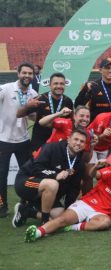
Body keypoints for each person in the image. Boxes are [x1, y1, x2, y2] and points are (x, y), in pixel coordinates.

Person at [23, 147, 111, 242]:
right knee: (61, 219)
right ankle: (36, 233)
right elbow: (93, 175)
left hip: (102, 213)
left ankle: (72, 227)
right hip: (88, 204)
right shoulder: (109, 172)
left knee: (105, 223)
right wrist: (95, 167)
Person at [12, 129, 87, 227]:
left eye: (82, 141)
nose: (78, 143)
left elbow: (74, 189)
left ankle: (26, 211)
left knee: (60, 215)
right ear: (68, 139)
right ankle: (45, 222)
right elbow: (36, 167)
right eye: (76, 139)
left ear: (85, 145)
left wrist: (68, 210)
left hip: (47, 192)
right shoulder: (52, 148)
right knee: (52, 184)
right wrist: (55, 175)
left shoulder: (79, 163)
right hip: (25, 182)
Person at [0, 62, 39, 217]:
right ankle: (2, 206)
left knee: (28, 174)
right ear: (18, 73)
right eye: (24, 73)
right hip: (3, 139)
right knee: (1, 175)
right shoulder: (6, 88)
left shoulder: (33, 93)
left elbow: (33, 117)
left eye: (30, 74)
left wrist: (31, 109)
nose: (27, 76)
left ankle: (26, 204)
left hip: (23, 140)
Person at [17, 72, 74, 154]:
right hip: (39, 143)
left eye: (61, 84)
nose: (59, 86)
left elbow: (71, 122)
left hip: (59, 143)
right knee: (37, 166)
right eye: (55, 83)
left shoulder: (68, 101)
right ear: (50, 85)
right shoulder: (40, 99)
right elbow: (19, 114)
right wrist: (27, 106)